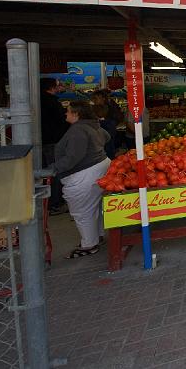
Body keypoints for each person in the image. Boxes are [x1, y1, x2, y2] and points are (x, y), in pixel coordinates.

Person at [50, 100, 111, 258]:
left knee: (83, 211)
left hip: (85, 174)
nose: (66, 113)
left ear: (76, 114)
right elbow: (107, 136)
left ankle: (89, 244)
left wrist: (54, 168)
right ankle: (97, 236)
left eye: (68, 111)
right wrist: (96, 149)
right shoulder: (93, 125)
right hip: (100, 167)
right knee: (94, 206)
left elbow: (73, 157)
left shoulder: (78, 130)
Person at [40, 77, 69, 215]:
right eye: (57, 86)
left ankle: (46, 202)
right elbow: (62, 121)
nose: (59, 88)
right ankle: (55, 204)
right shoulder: (52, 102)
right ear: (51, 87)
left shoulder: (36, 100)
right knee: (55, 171)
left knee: (43, 172)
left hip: (41, 140)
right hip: (53, 141)